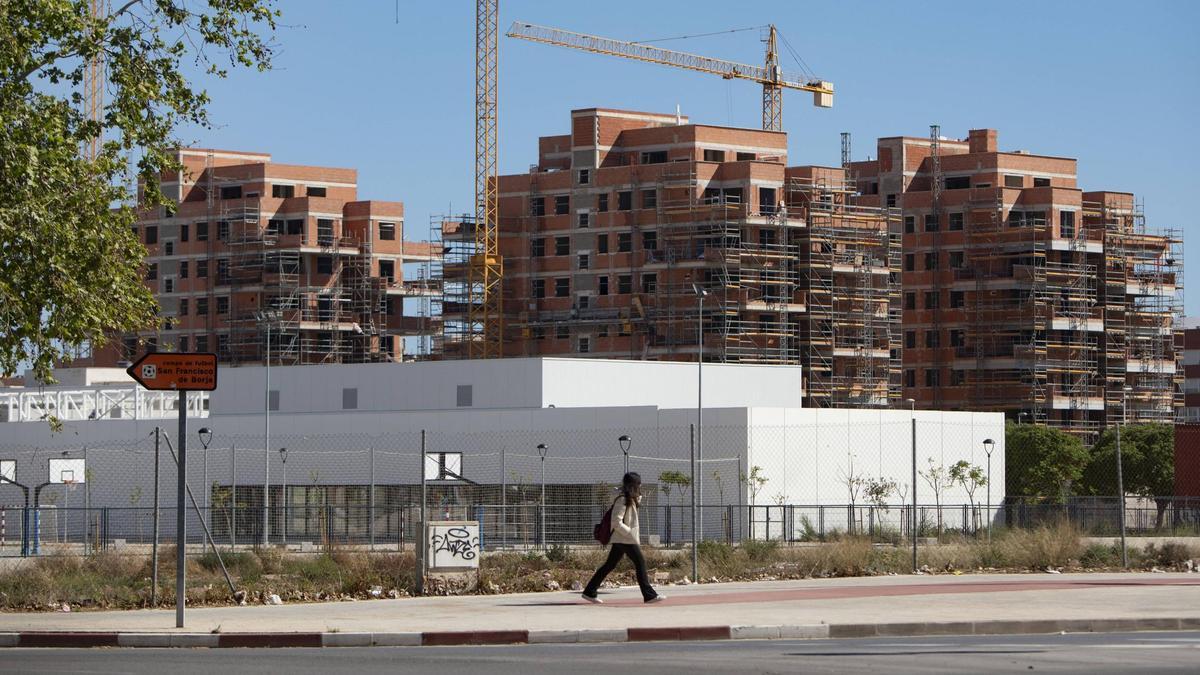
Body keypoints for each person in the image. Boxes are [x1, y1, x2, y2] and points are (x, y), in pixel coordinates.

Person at [582, 472, 664, 604]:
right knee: (640, 563)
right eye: (639, 483)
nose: (641, 485)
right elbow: (616, 521)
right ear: (634, 485)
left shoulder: (630, 498)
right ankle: (649, 595)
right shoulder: (622, 499)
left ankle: (589, 591)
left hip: (621, 538)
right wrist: (629, 532)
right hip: (625, 538)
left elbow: (639, 498)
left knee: (609, 565)